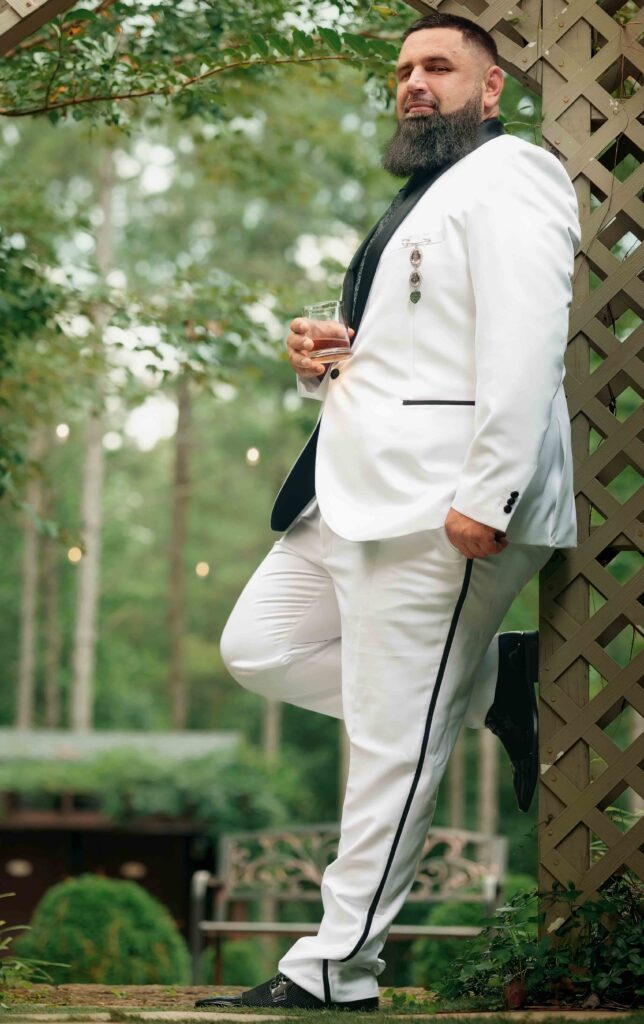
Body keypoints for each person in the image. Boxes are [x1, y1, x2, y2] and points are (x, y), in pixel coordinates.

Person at [196, 10, 580, 1012]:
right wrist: (335, 346)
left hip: (439, 506)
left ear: (489, 88)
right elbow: (428, 344)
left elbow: (525, 339)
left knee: (389, 745)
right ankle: (494, 677)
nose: (414, 82)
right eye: (403, 68)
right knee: (259, 646)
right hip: (351, 492)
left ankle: (334, 972)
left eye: (438, 66)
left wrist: (487, 493)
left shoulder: (512, 178)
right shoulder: (429, 195)